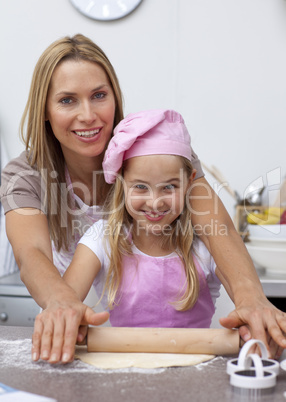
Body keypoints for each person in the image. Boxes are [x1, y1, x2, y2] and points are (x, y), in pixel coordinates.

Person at [0, 34, 285, 364]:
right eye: (67, 100)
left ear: (115, 98)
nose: (88, 115)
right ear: (45, 110)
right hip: (80, 321)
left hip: (185, 328)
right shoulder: (24, 175)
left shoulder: (158, 148)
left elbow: (215, 225)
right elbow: (30, 252)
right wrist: (61, 301)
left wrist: (250, 295)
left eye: (99, 95)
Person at [63, 109, 222, 331]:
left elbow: (245, 290)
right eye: (140, 187)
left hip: (194, 363)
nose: (155, 203)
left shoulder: (206, 243)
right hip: (123, 364)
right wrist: (67, 316)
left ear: (189, 181)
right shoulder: (102, 238)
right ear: (121, 182)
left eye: (169, 186)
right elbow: (64, 303)